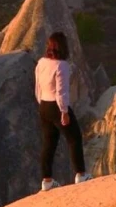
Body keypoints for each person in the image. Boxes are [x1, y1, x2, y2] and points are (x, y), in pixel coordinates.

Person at [34, 32, 88, 191]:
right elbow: (61, 91)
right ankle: (80, 174)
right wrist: (64, 111)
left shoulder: (41, 62)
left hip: (44, 105)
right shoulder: (61, 65)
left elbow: (37, 85)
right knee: (74, 138)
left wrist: (41, 103)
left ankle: (47, 181)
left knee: (49, 143)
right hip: (56, 106)